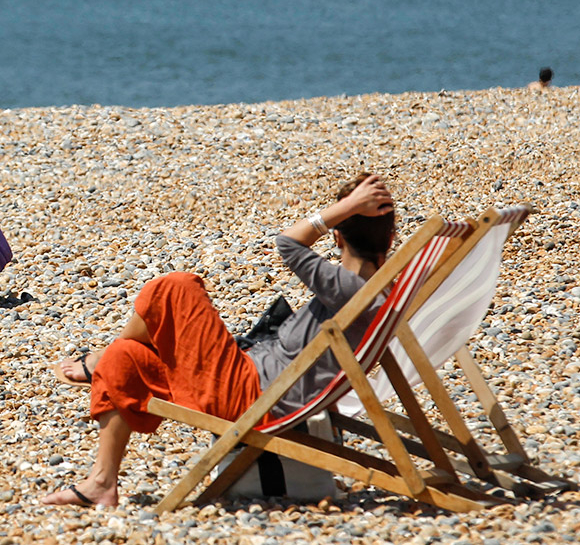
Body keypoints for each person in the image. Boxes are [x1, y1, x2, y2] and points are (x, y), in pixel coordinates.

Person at [42, 172, 396, 507]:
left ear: (337, 236)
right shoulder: (379, 292)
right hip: (254, 383)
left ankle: (97, 361)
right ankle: (101, 483)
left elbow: (288, 242)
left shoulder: (351, 289)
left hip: (251, 394)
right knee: (126, 355)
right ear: (391, 238)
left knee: (176, 286)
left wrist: (347, 207)